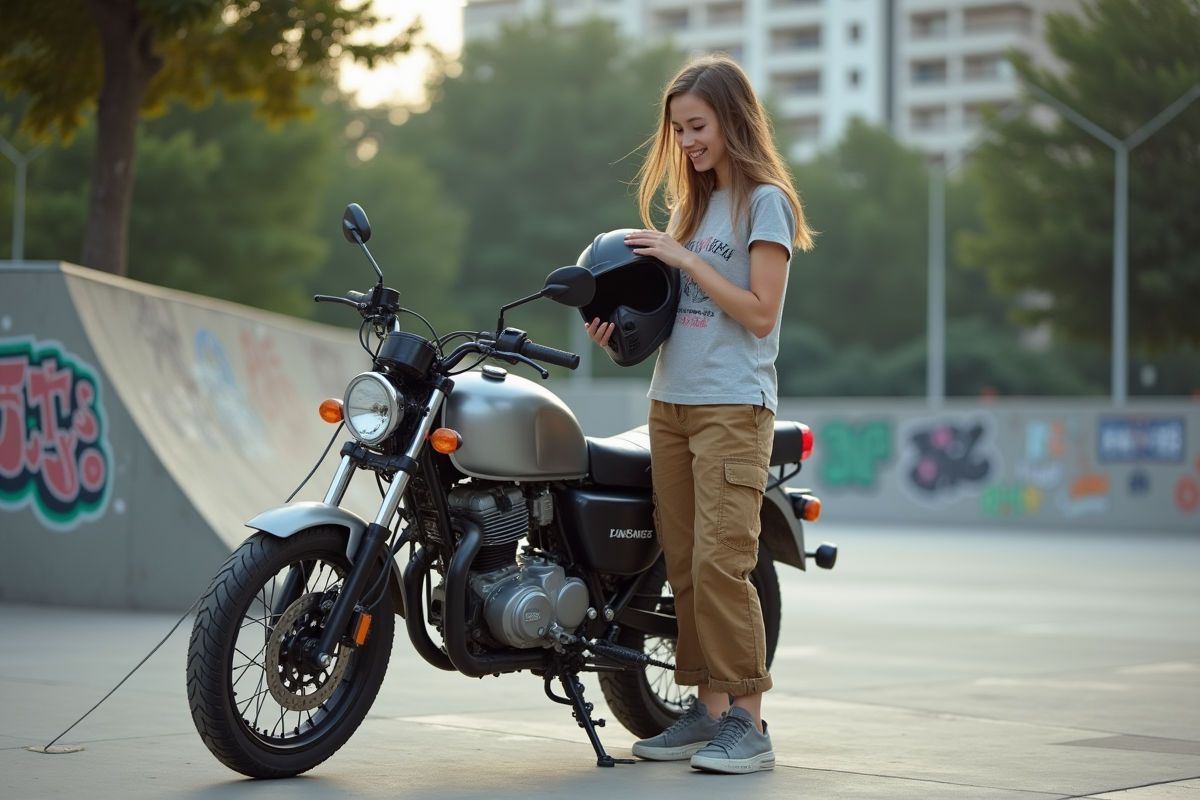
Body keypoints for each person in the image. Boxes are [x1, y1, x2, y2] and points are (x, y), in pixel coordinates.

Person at [585, 55, 814, 774]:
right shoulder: (693, 207)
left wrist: (686, 260)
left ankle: (749, 721)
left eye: (697, 126)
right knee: (683, 564)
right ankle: (706, 713)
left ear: (732, 120)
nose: (685, 141)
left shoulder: (763, 202)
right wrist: (619, 330)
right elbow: (674, 318)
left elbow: (758, 312)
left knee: (722, 562)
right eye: (677, 129)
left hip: (732, 406)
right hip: (671, 404)